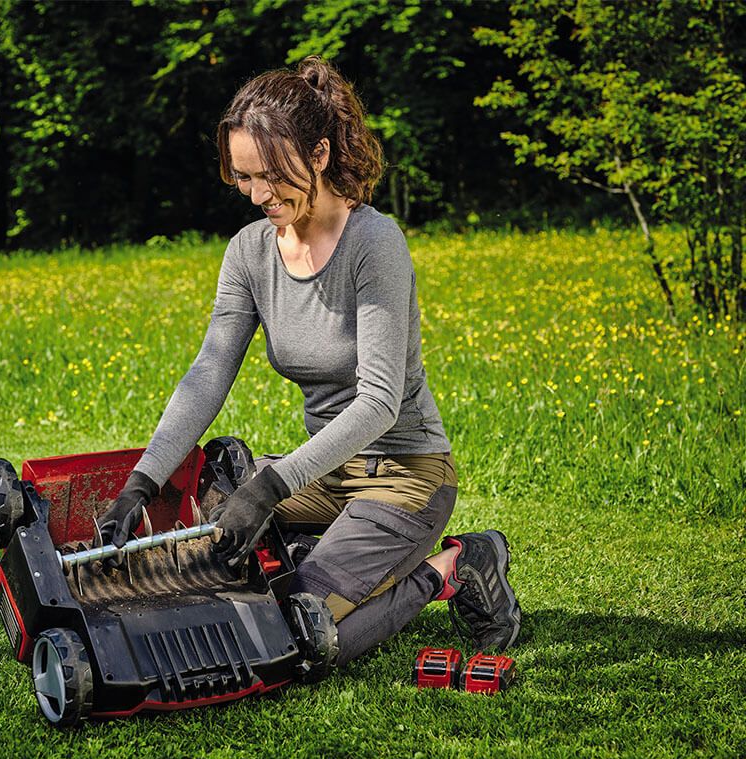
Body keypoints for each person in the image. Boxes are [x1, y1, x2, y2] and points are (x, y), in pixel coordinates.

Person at [96, 56, 520, 665]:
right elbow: (209, 372)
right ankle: (312, 554)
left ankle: (457, 565)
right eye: (244, 178)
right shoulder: (249, 251)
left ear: (319, 155)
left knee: (297, 636)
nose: (258, 194)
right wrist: (143, 481)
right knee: (208, 536)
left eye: (272, 174)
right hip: (323, 474)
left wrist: (270, 486)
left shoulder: (375, 244)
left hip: (402, 476)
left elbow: (379, 402)